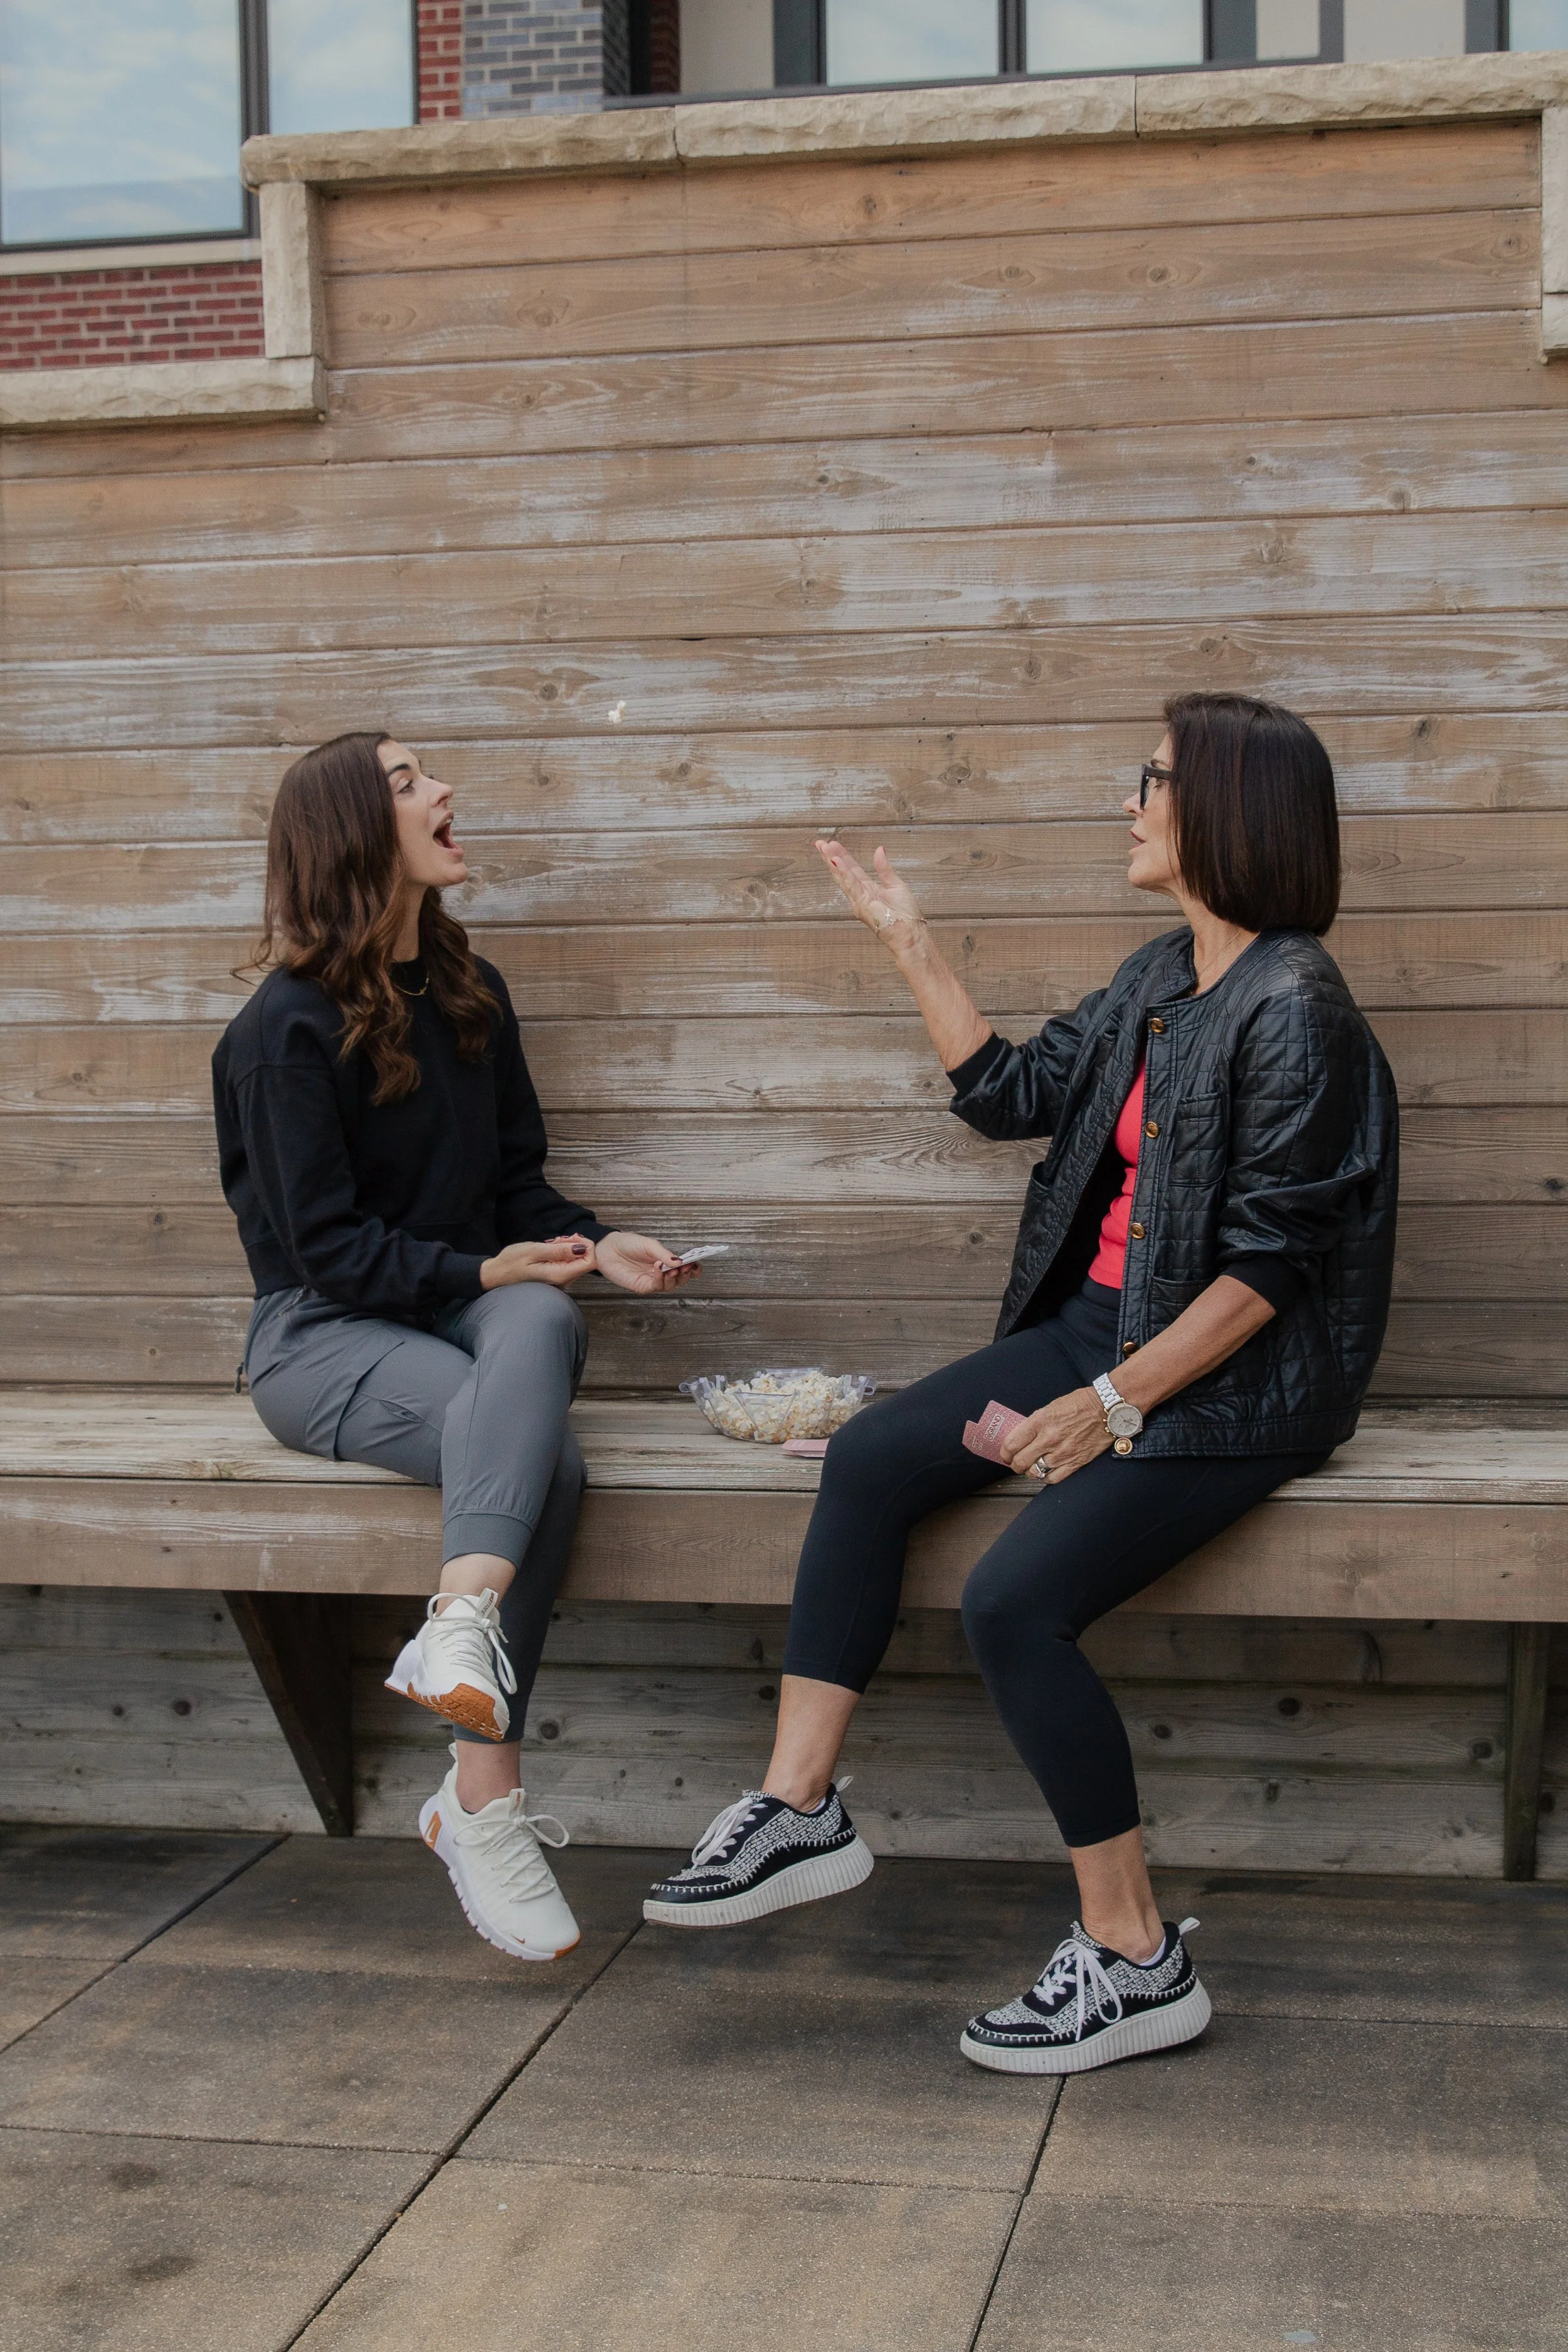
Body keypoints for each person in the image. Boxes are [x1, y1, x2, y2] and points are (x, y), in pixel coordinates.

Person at [644, 692, 1398, 2076]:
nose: (1128, 800)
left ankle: (1132, 1958)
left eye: (1150, 780)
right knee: (873, 1458)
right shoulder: (1158, 975)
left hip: (1236, 1381)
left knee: (1012, 1600)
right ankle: (797, 1806)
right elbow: (1006, 1092)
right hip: (1098, 1329)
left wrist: (1116, 1406)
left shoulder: (1296, 1007)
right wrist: (910, 945)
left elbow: (1269, 1270)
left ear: (1224, 807)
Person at [213, 733, 700, 1963]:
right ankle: (481, 1800)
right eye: (408, 781)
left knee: (542, 1313)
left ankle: (459, 1629)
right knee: (552, 1469)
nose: (444, 793)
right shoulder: (280, 1031)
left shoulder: (467, 994)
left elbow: (518, 1199)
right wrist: (485, 1271)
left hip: (460, 1315)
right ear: (350, 833)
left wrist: (596, 1246)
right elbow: (324, 1254)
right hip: (323, 1335)